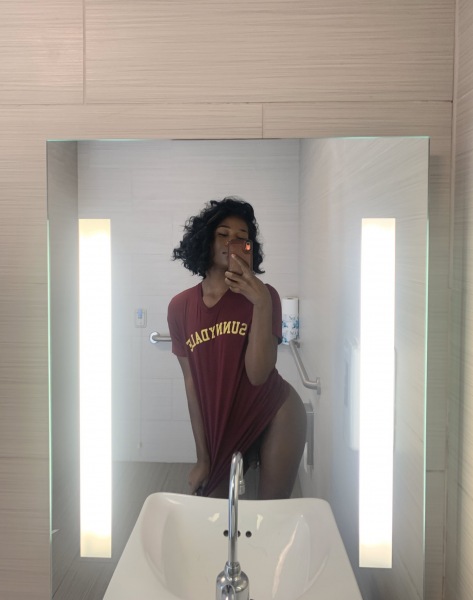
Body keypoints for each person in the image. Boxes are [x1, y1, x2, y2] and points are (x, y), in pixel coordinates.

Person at [167, 197, 306, 499]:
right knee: (214, 510)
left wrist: (262, 303)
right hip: (224, 419)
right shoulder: (180, 306)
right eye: (223, 234)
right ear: (206, 240)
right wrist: (203, 458)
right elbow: (192, 383)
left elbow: (258, 375)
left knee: (270, 514)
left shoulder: (265, 296)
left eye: (241, 237)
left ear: (249, 248)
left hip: (275, 413)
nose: (232, 242)